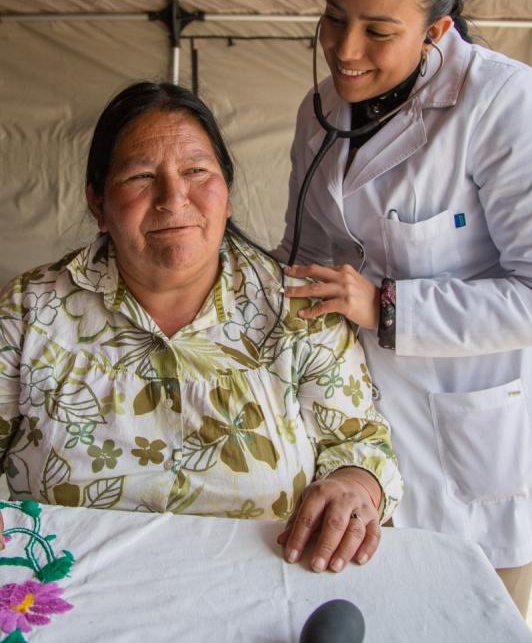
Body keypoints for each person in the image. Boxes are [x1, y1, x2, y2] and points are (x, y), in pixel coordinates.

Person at [276, 0, 532, 616]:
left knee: (473, 618)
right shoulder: (320, 110)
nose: (344, 50)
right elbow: (305, 256)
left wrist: (387, 307)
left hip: (476, 430)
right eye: (333, 19)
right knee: (372, 614)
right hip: (359, 426)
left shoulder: (506, 105)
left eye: (378, 32)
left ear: (437, 31)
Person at [0, 82, 404, 575]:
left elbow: (360, 444)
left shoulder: (298, 310)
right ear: (98, 204)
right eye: (141, 176)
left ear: (227, 194)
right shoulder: (29, 310)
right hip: (71, 596)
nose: (174, 198)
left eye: (196, 171)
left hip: (259, 589)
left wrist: (353, 486)